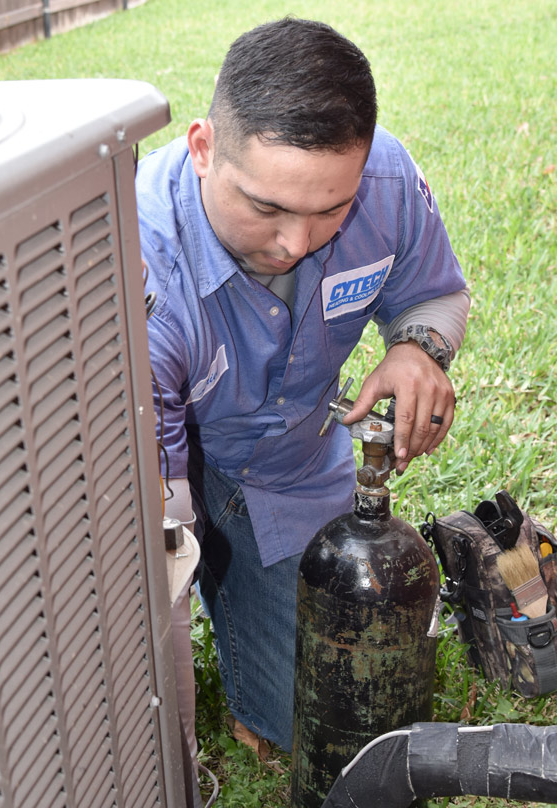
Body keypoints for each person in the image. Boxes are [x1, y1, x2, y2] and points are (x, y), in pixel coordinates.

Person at [136, 14, 470, 781]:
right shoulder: (138, 270)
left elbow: (438, 295)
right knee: (298, 710)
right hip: (179, 465)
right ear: (202, 147)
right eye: (267, 208)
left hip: (299, 458)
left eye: (330, 211)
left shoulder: (383, 182)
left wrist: (420, 350)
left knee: (363, 683)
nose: (298, 242)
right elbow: (150, 534)